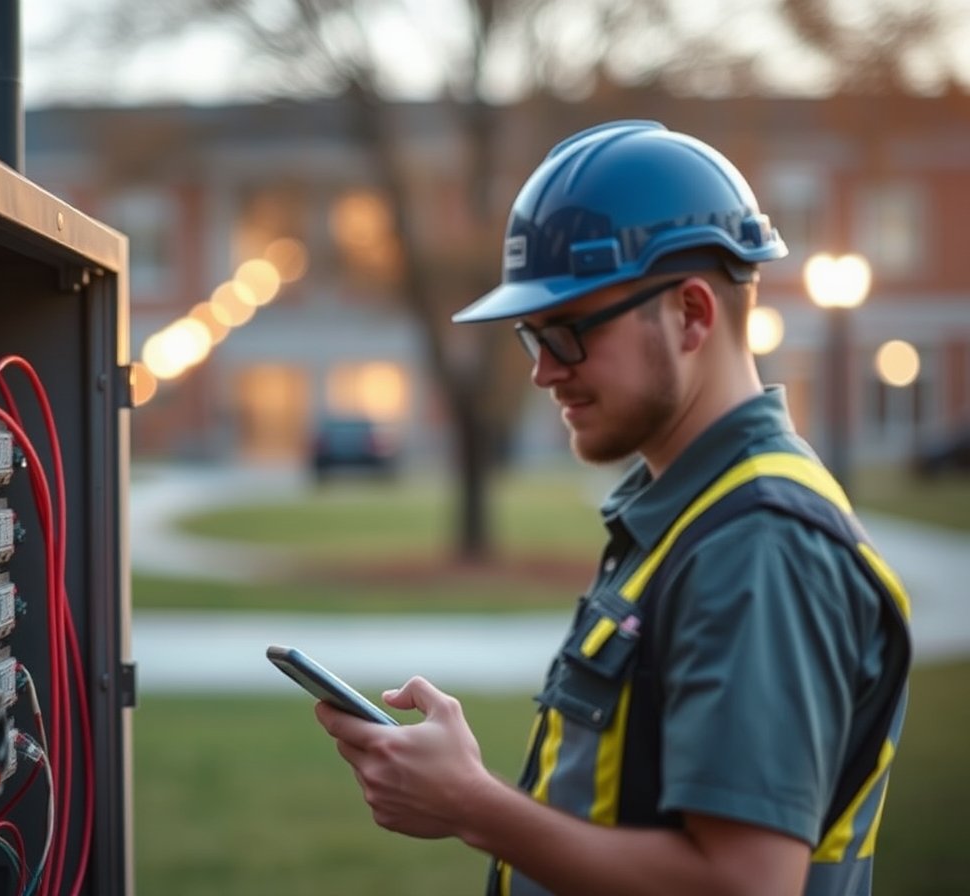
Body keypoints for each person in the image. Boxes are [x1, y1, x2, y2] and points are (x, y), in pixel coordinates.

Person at [313, 120, 911, 896]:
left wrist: (473, 804)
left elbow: (744, 885)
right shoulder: (691, 519)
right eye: (532, 338)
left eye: (566, 333)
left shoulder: (758, 544)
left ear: (692, 314)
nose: (543, 374)